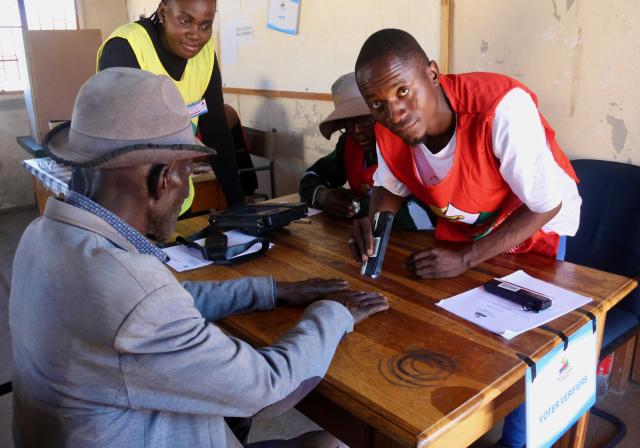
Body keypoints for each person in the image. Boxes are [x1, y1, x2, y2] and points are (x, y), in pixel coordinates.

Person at [9, 68, 389, 448]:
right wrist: (335, 313)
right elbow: (268, 387)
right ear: (164, 179)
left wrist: (274, 290)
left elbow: (170, 305)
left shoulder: (41, 236)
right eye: (189, 172)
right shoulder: (135, 294)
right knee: (329, 445)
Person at [350, 29, 582, 447]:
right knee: (468, 335)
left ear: (433, 74)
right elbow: (388, 188)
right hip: (475, 229)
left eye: (404, 91)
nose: (395, 112)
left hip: (537, 227)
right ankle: (465, 423)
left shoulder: (500, 109)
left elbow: (545, 204)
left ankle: (521, 439)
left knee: (535, 347)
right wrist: (375, 228)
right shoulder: (388, 128)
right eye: (378, 104)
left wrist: (467, 259)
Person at [71, 0, 245, 215]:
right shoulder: (126, 47)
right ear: (163, 12)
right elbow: (120, 149)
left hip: (171, 198)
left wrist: (239, 206)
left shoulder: (205, 55)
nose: (195, 35)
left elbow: (216, 132)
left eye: (205, 26)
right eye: (185, 21)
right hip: (119, 207)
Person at [300, 72, 434, 230]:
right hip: (368, 242)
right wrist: (323, 196)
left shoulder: (409, 144)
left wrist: (357, 206)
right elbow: (310, 177)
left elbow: (425, 216)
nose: (356, 130)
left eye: (364, 119)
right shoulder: (349, 145)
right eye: (347, 124)